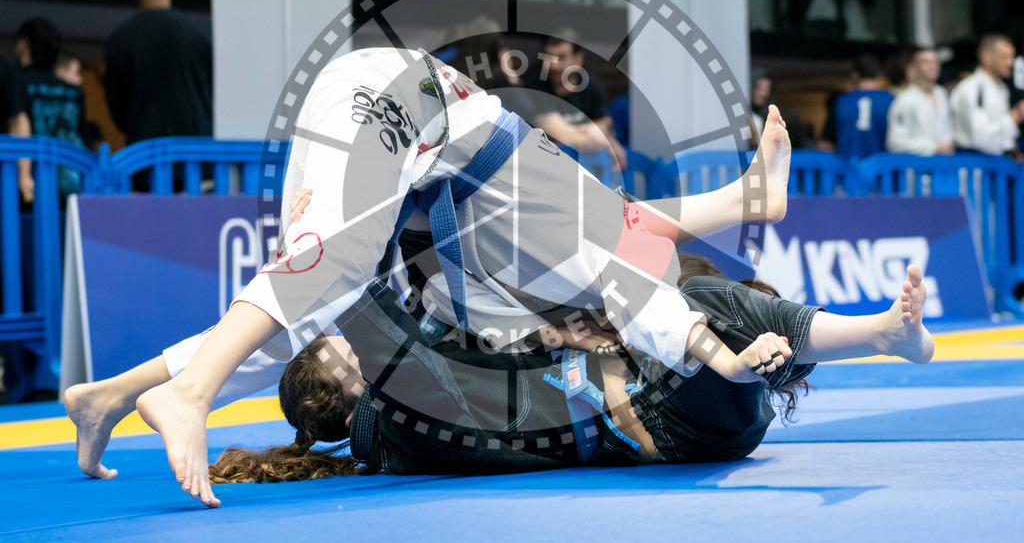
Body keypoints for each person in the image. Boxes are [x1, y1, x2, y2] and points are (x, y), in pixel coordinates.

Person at [75, 46, 791, 507]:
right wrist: (718, 338)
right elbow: (633, 240)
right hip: (392, 98)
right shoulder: (543, 268)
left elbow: (631, 237)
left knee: (314, 299)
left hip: (393, 114)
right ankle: (188, 393)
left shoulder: (491, 290)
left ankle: (111, 394)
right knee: (329, 270)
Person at [66, 245, 934, 485]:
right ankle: (753, 364)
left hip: (682, 410)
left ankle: (873, 334)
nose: (353, 344)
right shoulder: (401, 414)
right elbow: (357, 309)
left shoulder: (397, 408)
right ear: (348, 391)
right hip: (675, 421)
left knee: (687, 293)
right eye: (343, 354)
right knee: (697, 306)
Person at [104, 0, 213, 148]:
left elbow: (117, 106)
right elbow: (213, 90)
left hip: (146, 152)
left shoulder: (119, 40)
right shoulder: (199, 33)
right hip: (196, 151)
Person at [521, 31, 626, 168]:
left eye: (561, 58)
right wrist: (600, 138)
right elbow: (552, 131)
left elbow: (604, 124)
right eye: (549, 58)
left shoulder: (591, 86)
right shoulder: (534, 87)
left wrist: (603, 137)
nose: (554, 66)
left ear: (578, 59)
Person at [9, 18, 86, 203]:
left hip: (27, 185)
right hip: (72, 182)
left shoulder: (17, 82)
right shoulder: (73, 91)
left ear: (23, 45)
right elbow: (84, 134)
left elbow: (16, 128)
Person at [949, 34, 1024, 157]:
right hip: (974, 160)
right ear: (986, 58)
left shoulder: (1002, 88)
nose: (1011, 63)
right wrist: (1015, 116)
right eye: (1004, 57)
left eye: (1012, 57)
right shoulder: (974, 89)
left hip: (999, 160)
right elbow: (981, 138)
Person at [820, 54, 894, 160]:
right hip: (882, 167)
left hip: (847, 167)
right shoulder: (891, 100)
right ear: (878, 74)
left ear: (854, 75)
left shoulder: (841, 101)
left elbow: (826, 145)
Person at [887, 47, 954, 156]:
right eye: (926, 62)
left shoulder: (941, 94)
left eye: (935, 62)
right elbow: (895, 143)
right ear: (913, 68)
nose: (933, 66)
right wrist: (933, 147)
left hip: (943, 161)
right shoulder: (904, 99)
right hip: (917, 162)